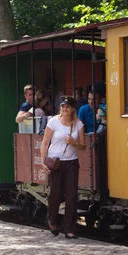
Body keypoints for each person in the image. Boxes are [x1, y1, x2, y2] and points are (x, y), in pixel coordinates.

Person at [40, 95, 85, 239]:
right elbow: (45, 142)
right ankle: (52, 220)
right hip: (56, 162)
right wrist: (42, 162)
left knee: (71, 196)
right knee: (55, 194)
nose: (65, 109)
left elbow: (83, 146)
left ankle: (69, 229)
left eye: (67, 107)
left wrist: (74, 142)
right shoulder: (53, 122)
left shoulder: (78, 124)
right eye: (63, 106)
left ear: (72, 109)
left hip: (71, 162)